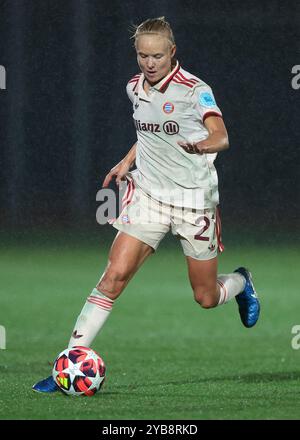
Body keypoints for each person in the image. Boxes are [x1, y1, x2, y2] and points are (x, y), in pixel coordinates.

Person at [33, 17, 260, 393]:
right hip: (150, 196)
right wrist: (127, 161)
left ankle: (241, 282)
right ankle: (69, 364)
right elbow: (149, 133)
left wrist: (202, 145)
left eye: (157, 55)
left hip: (193, 201)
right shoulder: (134, 88)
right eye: (143, 55)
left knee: (205, 297)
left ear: (172, 52)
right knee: (113, 277)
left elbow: (221, 136)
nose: (149, 63)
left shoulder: (194, 90)